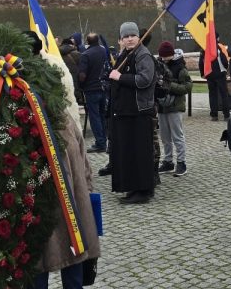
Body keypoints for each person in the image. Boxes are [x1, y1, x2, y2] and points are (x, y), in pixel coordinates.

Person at [23, 40, 107, 289]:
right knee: (38, 261)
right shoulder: (23, 123)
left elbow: (82, 157)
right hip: (40, 203)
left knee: (76, 253)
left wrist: (87, 187)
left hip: (74, 199)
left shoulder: (65, 119)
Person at [107, 22, 158, 204]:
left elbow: (145, 79)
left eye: (132, 36)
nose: (129, 39)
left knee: (140, 153)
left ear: (138, 37)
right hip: (126, 113)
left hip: (138, 112)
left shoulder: (143, 55)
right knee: (129, 152)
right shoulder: (127, 54)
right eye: (126, 36)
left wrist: (120, 77)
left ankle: (142, 191)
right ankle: (133, 187)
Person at [155, 42, 192, 177]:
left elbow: (187, 87)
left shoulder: (180, 67)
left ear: (171, 54)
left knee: (177, 136)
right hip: (162, 106)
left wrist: (169, 86)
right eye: (162, 56)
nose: (164, 59)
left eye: (166, 56)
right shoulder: (159, 65)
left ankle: (181, 162)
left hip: (175, 106)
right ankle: (168, 161)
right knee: (165, 136)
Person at [78, 33, 109, 153]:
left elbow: (82, 75)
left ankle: (100, 143)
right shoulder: (103, 51)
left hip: (91, 90)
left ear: (87, 42)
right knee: (102, 115)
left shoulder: (85, 55)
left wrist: (80, 87)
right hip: (103, 87)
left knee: (94, 117)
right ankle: (104, 140)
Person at [198, 33, 231, 122]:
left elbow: (201, 62)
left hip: (209, 74)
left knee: (212, 95)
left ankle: (214, 115)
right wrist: (225, 70)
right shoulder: (219, 47)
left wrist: (202, 73)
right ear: (217, 38)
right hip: (220, 74)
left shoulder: (204, 48)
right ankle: (226, 115)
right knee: (224, 94)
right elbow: (225, 60)